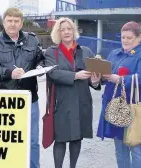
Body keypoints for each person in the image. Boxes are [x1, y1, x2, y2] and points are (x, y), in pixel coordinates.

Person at [0, 7, 44, 168]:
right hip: (5, 100)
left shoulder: (32, 39)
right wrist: (10, 73)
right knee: (7, 140)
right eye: (9, 20)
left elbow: (40, 58)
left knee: (32, 141)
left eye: (16, 21)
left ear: (21, 23)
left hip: (30, 98)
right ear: (3, 23)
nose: (13, 24)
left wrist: (40, 67)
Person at [96, 21, 141, 168]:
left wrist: (120, 79)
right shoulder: (114, 53)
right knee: (119, 148)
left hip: (133, 108)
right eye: (123, 37)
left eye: (129, 38)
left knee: (135, 146)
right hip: (115, 107)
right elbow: (107, 77)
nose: (125, 40)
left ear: (139, 38)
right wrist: (99, 78)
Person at [44, 17, 101, 168]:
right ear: (58, 33)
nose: (66, 32)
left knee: (77, 138)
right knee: (60, 139)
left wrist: (95, 81)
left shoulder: (86, 51)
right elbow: (52, 73)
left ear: (74, 31)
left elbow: (94, 79)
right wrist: (75, 76)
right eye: (62, 30)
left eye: (69, 29)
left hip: (82, 100)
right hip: (61, 102)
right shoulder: (51, 52)